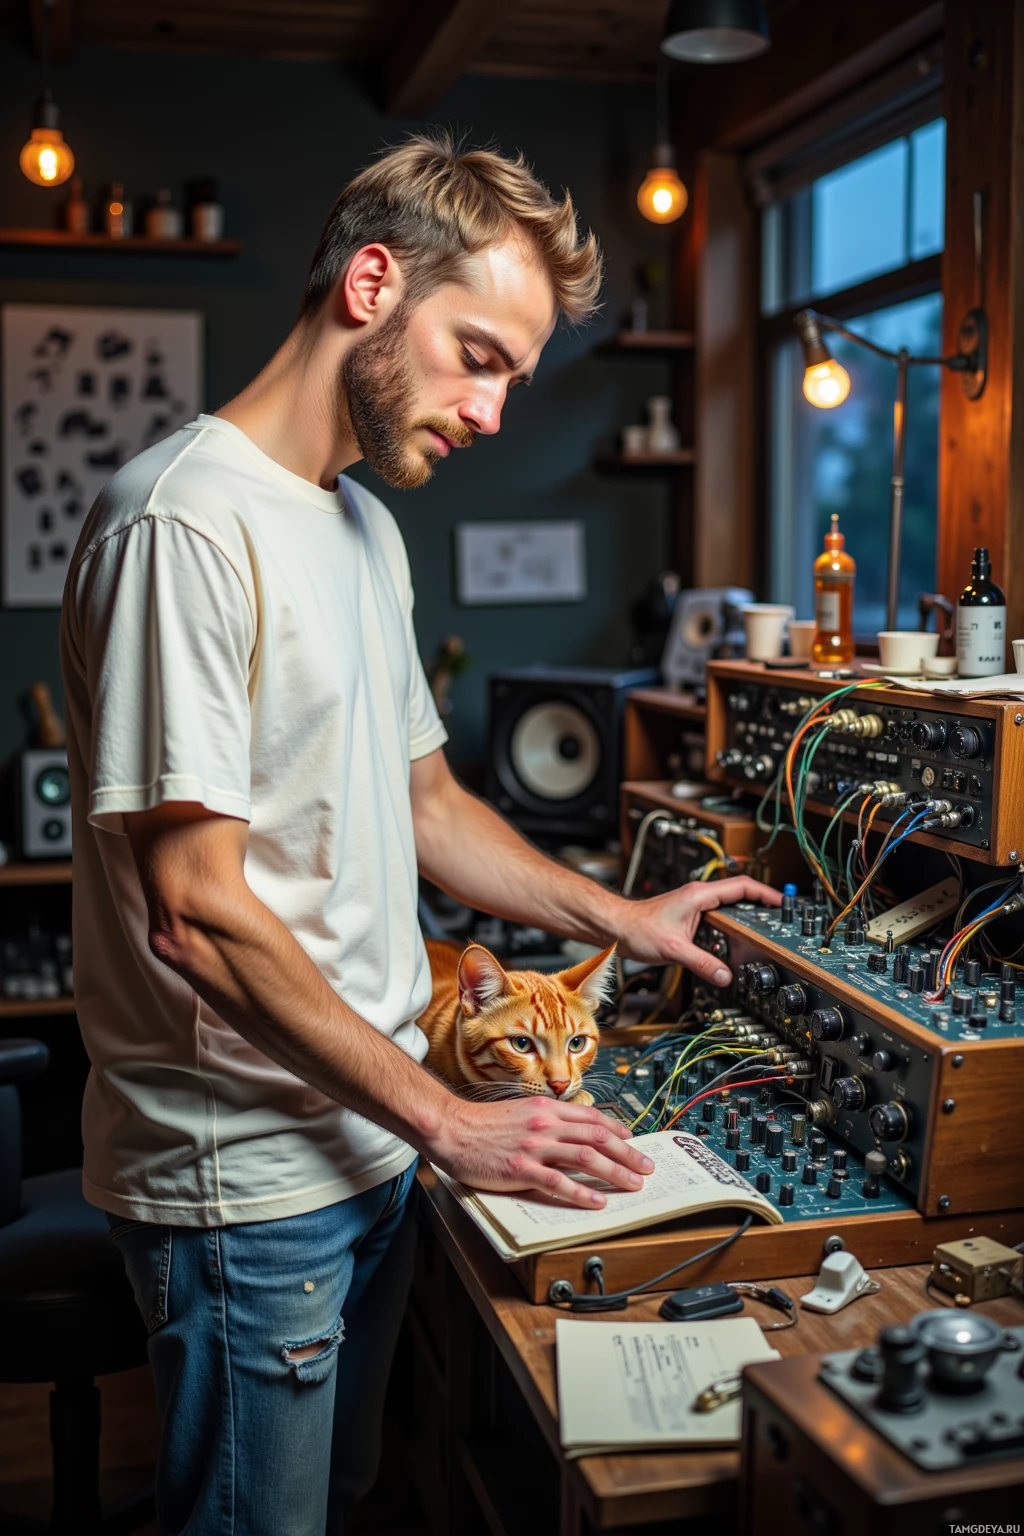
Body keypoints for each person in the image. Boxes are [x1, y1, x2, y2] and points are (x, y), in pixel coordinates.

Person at [60, 133, 780, 1535]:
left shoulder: (362, 531)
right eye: (481, 355)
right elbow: (193, 912)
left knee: (346, 1498)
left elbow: (428, 805)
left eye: (512, 370)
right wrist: (456, 1120)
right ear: (371, 285)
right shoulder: (184, 526)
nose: (496, 409)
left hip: (373, 1135)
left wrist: (619, 919)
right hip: (249, 1180)